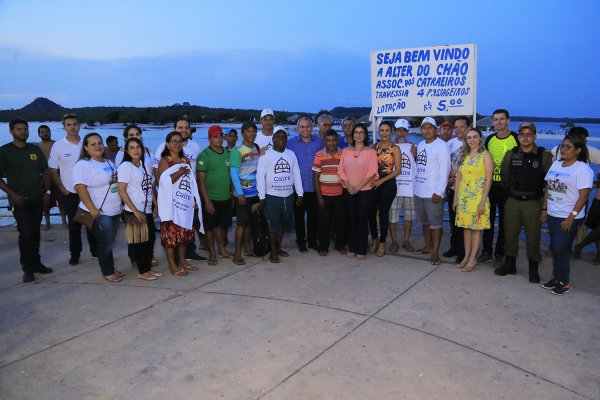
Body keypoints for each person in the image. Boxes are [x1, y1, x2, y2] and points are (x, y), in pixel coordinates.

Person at [495, 122, 553, 282]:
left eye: (529, 134)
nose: (525, 137)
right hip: (513, 201)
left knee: (533, 237)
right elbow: (505, 176)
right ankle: (510, 264)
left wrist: (544, 208)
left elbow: (549, 182)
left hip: (533, 203)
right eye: (522, 134)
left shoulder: (544, 155)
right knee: (510, 235)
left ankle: (534, 269)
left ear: (534, 136)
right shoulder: (511, 154)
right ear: (518, 136)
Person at [0, 119, 54, 282]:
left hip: (37, 198)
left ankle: (37, 263)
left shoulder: (34, 150)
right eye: (19, 129)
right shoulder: (5, 151)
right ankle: (27, 268)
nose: (23, 131)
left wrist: (47, 193)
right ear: (11, 131)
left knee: (35, 232)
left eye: (25, 129)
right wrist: (13, 195)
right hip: (20, 201)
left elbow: (45, 171)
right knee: (25, 234)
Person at [542, 135, 593, 295]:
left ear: (578, 150)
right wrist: (544, 210)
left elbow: (584, 196)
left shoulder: (582, 169)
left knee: (560, 248)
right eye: (562, 146)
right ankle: (556, 278)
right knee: (556, 248)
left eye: (568, 147)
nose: (563, 150)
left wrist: (572, 216)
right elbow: (548, 188)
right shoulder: (556, 164)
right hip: (552, 213)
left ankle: (564, 282)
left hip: (568, 216)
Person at [73, 133, 123, 282]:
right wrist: (93, 209)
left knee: (109, 242)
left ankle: (110, 267)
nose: (97, 146)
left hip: (115, 210)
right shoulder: (83, 165)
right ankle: (108, 272)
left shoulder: (108, 162)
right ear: (86, 148)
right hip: (100, 213)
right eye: (93, 144)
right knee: (105, 243)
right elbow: (80, 188)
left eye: (99, 143)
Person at [153, 117, 204, 261]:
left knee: (186, 227)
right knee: (172, 230)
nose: (183, 130)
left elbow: (194, 174)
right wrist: (161, 197)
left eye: (186, 127)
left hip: (186, 196)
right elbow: (160, 177)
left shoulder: (193, 149)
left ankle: (187, 256)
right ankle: (174, 261)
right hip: (171, 198)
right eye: (180, 127)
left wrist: (195, 196)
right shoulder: (164, 153)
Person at [48, 114, 97, 265]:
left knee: (93, 223)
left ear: (79, 125)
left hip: (90, 192)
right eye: (68, 124)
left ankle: (96, 251)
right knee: (74, 226)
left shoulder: (87, 143)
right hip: (70, 193)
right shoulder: (58, 146)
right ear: (64, 127)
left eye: (75, 124)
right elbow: (52, 169)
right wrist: (62, 189)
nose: (72, 127)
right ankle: (75, 254)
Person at [256, 126, 303, 263]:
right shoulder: (266, 155)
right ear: (273, 139)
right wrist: (262, 196)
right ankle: (273, 252)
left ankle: (278, 247)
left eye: (284, 137)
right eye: (278, 136)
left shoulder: (291, 154)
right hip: (272, 196)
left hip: (288, 195)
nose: (281, 139)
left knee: (283, 224)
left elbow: (296, 174)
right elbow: (260, 176)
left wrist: (300, 193)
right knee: (272, 225)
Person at [117, 137, 161, 281]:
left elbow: (150, 188)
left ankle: (147, 269)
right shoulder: (125, 167)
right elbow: (122, 191)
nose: (136, 150)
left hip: (147, 209)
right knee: (140, 243)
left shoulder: (145, 165)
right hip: (134, 211)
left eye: (138, 147)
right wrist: (135, 211)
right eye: (132, 147)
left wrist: (156, 204)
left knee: (150, 239)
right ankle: (143, 272)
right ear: (127, 151)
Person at [480, 109, 519, 265]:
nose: (498, 122)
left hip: (508, 187)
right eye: (495, 119)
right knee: (487, 221)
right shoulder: (489, 139)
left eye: (501, 119)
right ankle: (486, 251)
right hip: (490, 185)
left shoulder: (516, 138)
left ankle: (499, 253)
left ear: (508, 121)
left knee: (504, 222)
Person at [453, 128, 493, 272]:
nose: (472, 140)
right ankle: (466, 256)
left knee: (476, 230)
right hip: (464, 198)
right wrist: (456, 199)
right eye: (469, 137)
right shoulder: (464, 155)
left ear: (480, 138)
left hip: (478, 199)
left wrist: (482, 201)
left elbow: (489, 180)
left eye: (475, 137)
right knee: (466, 228)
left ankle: (472, 259)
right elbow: (459, 178)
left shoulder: (485, 155)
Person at [337, 123, 379, 260]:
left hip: (365, 191)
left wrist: (359, 186)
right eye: (356, 132)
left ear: (365, 135)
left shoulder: (371, 152)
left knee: (362, 219)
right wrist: (349, 186)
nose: (359, 135)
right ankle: (352, 247)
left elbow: (372, 172)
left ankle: (362, 249)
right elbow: (341, 170)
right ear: (353, 134)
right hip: (348, 190)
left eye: (361, 132)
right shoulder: (345, 151)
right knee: (351, 219)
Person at [413, 117, 451, 265]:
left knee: (435, 224)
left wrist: (439, 192)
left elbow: (445, 169)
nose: (427, 130)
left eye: (430, 127)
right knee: (425, 223)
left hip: (433, 193)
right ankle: (427, 246)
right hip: (419, 190)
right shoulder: (421, 144)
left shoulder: (441, 146)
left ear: (436, 130)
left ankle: (435, 252)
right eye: (424, 127)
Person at [287, 117, 324, 252]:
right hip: (298, 188)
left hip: (315, 186)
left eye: (308, 126)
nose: (305, 129)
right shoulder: (290, 144)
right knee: (299, 217)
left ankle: (312, 240)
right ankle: (300, 241)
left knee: (313, 216)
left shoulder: (320, 142)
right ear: (297, 129)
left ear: (312, 127)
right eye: (302, 127)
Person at [197, 125, 232, 265]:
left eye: (221, 136)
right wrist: (207, 202)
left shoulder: (228, 153)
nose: (219, 139)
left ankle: (222, 249)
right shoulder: (204, 156)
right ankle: (212, 253)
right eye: (215, 136)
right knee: (210, 227)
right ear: (209, 138)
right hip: (211, 198)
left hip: (226, 198)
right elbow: (201, 181)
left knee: (222, 226)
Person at [368, 121, 401, 257]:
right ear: (379, 131)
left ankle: (382, 242)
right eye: (382, 130)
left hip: (388, 183)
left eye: (387, 130)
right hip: (374, 183)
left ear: (392, 132)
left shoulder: (395, 148)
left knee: (383, 213)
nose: (384, 133)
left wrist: (382, 180)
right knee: (371, 212)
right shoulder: (374, 147)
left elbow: (398, 170)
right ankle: (374, 239)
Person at [230, 122, 260, 265]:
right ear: (243, 133)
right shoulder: (237, 151)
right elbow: (234, 173)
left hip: (255, 193)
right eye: (248, 131)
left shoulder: (256, 148)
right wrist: (240, 194)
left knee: (248, 223)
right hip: (242, 194)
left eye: (254, 131)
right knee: (241, 224)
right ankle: (237, 254)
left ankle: (247, 249)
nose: (252, 134)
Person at [313, 129, 345, 255]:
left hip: (340, 195)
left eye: (333, 140)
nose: (331, 143)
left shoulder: (343, 154)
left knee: (340, 223)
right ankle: (323, 247)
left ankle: (339, 245)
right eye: (328, 141)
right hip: (325, 196)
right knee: (323, 224)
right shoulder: (319, 155)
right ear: (324, 142)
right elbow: (316, 177)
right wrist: (319, 197)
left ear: (337, 141)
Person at [443, 116, 470, 263]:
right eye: (457, 126)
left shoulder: (472, 143)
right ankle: (454, 247)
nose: (459, 129)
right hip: (452, 187)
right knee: (453, 220)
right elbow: (446, 164)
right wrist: (447, 180)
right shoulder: (450, 144)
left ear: (468, 127)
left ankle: (463, 251)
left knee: (463, 222)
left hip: (467, 190)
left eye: (462, 126)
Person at [389, 118, 417, 253]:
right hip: (394, 187)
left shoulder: (412, 147)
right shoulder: (389, 145)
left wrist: (415, 155)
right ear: (394, 131)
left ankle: (406, 240)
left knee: (409, 216)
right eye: (399, 130)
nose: (401, 133)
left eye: (404, 130)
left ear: (407, 132)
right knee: (392, 216)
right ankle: (394, 241)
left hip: (409, 187)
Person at [37, 124, 67, 229]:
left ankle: (64, 221)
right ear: (39, 134)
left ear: (50, 132)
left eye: (47, 131)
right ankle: (48, 222)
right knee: (45, 200)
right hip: (45, 176)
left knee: (61, 199)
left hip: (58, 175)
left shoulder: (57, 144)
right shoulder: (38, 147)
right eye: (42, 132)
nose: (45, 133)